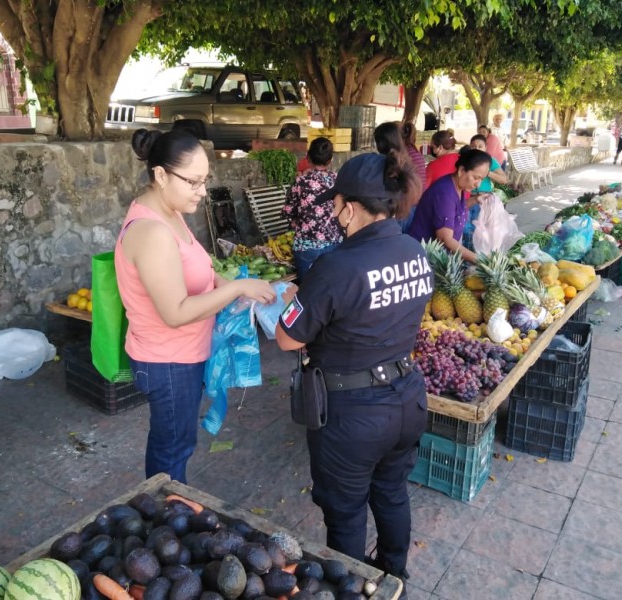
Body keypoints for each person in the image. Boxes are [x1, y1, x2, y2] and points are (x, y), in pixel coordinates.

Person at [275, 151, 430, 594]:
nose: (335, 214)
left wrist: (292, 296)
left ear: (353, 206)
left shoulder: (336, 266)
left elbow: (289, 338)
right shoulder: (413, 250)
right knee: (392, 491)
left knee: (344, 512)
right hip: (407, 398)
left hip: (353, 415)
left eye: (337, 203)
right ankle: (394, 576)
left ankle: (349, 588)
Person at [114, 129, 275, 483]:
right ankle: (165, 518)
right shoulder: (152, 232)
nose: (202, 192)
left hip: (184, 354)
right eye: (193, 182)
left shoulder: (170, 211)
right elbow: (176, 312)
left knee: (176, 441)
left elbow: (197, 269)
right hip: (168, 361)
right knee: (172, 449)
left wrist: (234, 287)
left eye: (205, 181)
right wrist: (237, 289)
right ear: (160, 175)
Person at [408, 148, 492, 263]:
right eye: (476, 177)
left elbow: (454, 211)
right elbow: (445, 239)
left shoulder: (458, 187)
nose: (478, 184)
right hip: (423, 258)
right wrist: (481, 261)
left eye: (482, 179)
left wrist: (476, 199)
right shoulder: (445, 192)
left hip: (439, 257)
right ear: (461, 170)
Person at [282, 137, 341, 279]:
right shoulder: (337, 179)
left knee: (308, 290)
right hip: (335, 244)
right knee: (331, 286)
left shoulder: (301, 182)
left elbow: (288, 211)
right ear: (330, 160)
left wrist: (294, 221)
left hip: (307, 247)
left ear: (308, 157)